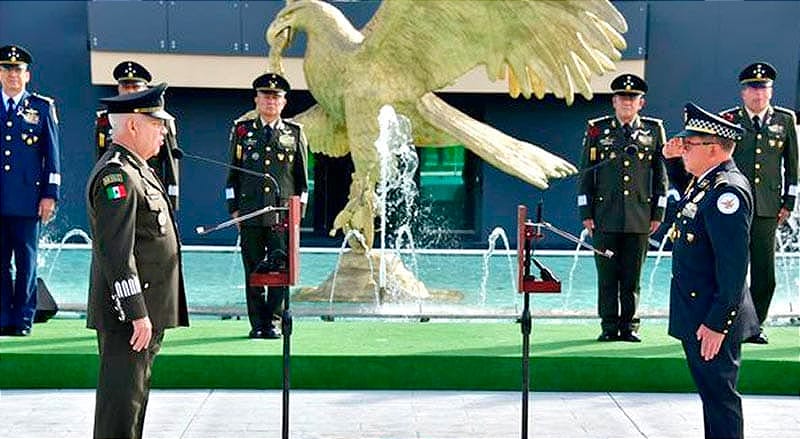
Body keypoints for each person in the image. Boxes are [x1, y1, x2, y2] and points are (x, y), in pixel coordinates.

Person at [86, 83, 188, 439]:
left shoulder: (139, 169)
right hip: (128, 317)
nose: (163, 131)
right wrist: (136, 312)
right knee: (121, 407)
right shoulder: (119, 175)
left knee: (134, 402)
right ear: (133, 125)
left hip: (144, 312)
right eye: (156, 123)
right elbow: (116, 253)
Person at [663, 102, 759, 439]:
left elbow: (733, 267)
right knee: (711, 397)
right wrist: (673, 159)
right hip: (699, 311)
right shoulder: (705, 182)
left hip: (713, 317)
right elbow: (687, 203)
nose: (683, 148)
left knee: (721, 400)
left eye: (690, 145)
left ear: (714, 149)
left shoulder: (726, 192)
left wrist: (718, 323)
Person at [577, 73, 668, 342]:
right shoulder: (597, 129)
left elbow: (660, 175)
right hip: (604, 216)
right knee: (607, 277)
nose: (627, 103)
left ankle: (629, 326)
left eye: (633, 98)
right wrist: (586, 213)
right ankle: (608, 326)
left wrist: (658, 213)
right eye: (622, 98)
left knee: (632, 277)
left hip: (640, 216)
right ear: (614, 101)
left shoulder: (653, 130)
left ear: (642, 103)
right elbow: (586, 173)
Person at [719, 62, 798, 344]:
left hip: (767, 207)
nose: (758, 94)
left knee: (765, 274)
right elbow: (718, 162)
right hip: (732, 207)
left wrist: (788, 202)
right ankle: (727, 323)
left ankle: (754, 326)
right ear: (743, 93)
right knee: (732, 269)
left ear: (771, 91)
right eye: (753, 89)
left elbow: (793, 167)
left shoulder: (785, 120)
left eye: (763, 88)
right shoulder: (728, 119)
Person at [225, 72, 308, 339]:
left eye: (276, 97)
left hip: (282, 214)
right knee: (253, 269)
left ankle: (272, 321)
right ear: (256, 100)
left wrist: (297, 216)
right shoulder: (242, 130)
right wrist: (234, 210)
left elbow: (302, 181)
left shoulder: (295, 133)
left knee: (280, 270)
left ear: (284, 103)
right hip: (250, 212)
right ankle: (256, 323)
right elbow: (232, 175)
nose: (270, 101)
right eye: (265, 96)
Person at [0, 45, 61, 337]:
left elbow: (52, 156)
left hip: (28, 201)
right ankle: (2, 317)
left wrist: (50, 195)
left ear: (28, 75)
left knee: (26, 262)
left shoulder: (41, 107)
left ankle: (23, 319)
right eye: (7, 69)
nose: (13, 74)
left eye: (18, 70)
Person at [95, 60, 182, 210]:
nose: (129, 92)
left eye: (135, 87)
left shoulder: (158, 120)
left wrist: (170, 203)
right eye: (125, 87)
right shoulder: (105, 119)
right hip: (118, 189)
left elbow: (170, 163)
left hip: (150, 192)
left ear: (145, 89)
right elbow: (101, 159)